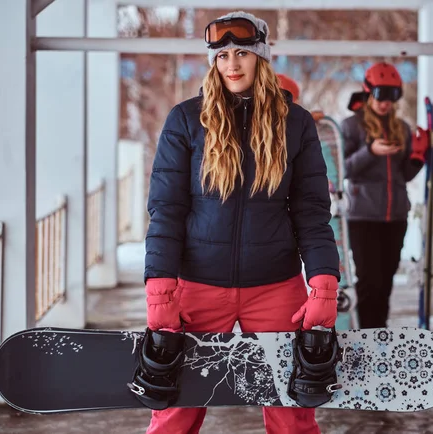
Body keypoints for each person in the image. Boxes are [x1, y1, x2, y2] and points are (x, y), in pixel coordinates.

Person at [143, 11, 340, 434]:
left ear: (261, 59)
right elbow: (167, 209)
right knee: (174, 411)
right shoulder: (186, 120)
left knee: (294, 415)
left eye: (242, 53)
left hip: (274, 288)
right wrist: (160, 286)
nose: (232, 64)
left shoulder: (296, 123)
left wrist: (323, 283)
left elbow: (311, 211)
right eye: (222, 55)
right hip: (197, 286)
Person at [340, 62, 429, 329]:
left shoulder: (401, 128)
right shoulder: (351, 126)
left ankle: (380, 333)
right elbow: (342, 169)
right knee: (369, 280)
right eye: (380, 95)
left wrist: (418, 156)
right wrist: (371, 151)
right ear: (368, 92)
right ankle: (365, 334)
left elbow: (405, 175)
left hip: (395, 216)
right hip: (363, 216)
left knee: (387, 280)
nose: (385, 103)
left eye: (392, 96)